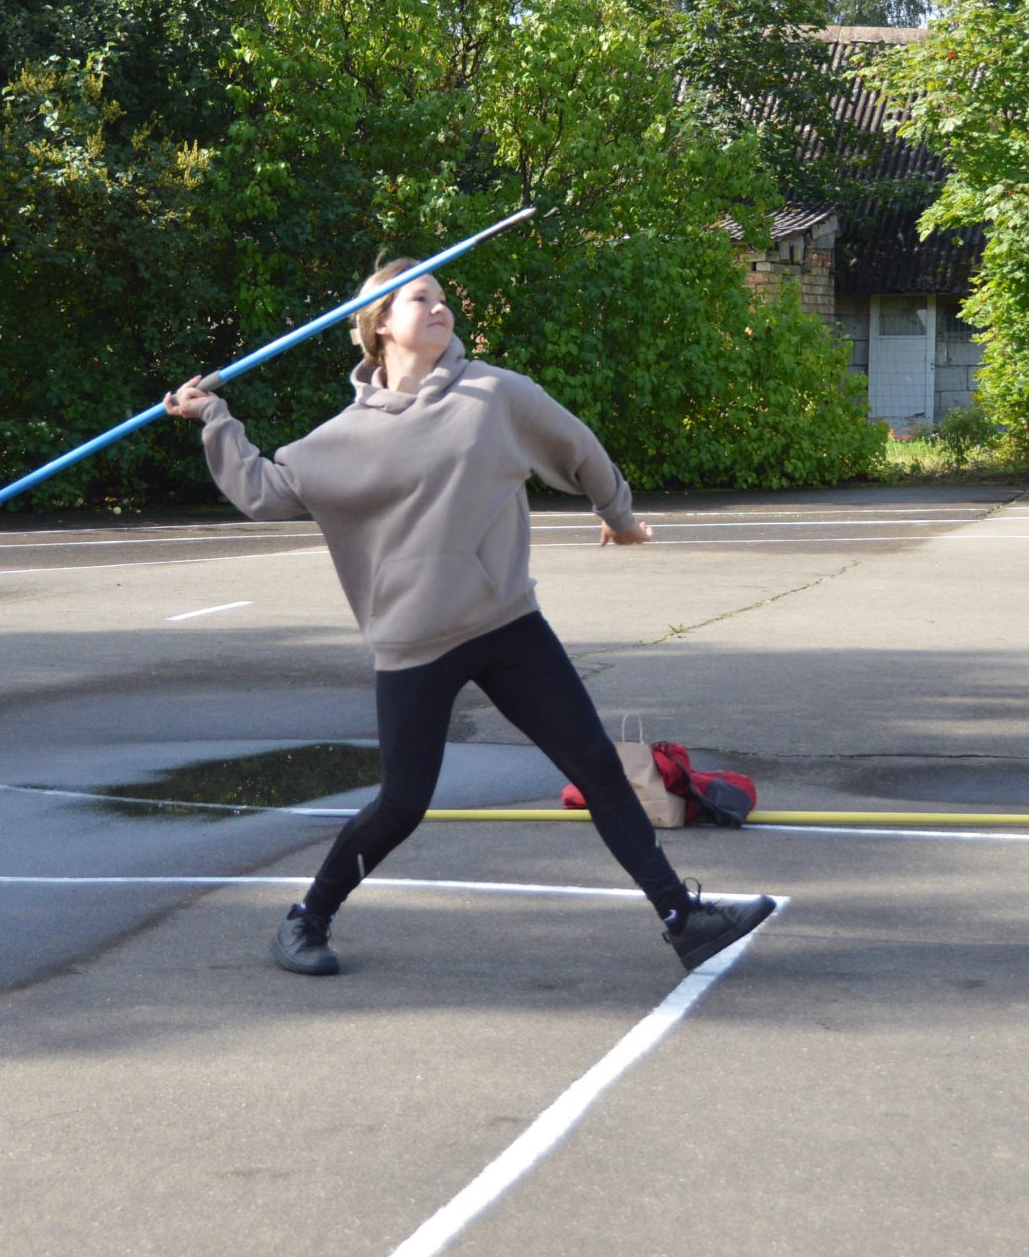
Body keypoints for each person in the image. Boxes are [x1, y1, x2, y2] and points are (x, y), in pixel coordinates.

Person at [164, 257, 774, 977]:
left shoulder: (492, 395)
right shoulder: (341, 438)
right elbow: (264, 492)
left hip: (504, 624)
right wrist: (214, 418)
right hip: (414, 642)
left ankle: (682, 918)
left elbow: (577, 446)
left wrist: (619, 516)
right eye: (419, 298)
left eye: (442, 296)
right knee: (402, 804)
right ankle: (306, 919)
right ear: (379, 325)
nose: (439, 307)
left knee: (598, 768)